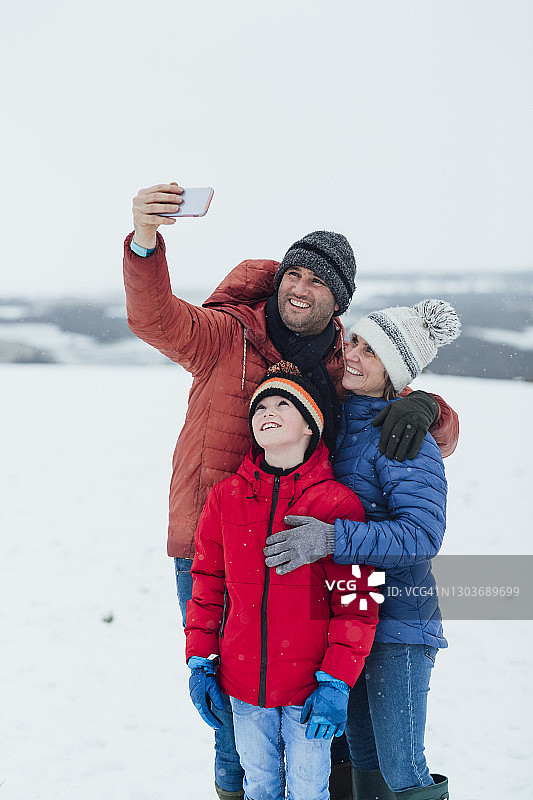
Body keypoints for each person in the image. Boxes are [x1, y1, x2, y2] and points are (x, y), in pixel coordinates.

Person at [123, 181, 459, 800]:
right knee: (236, 722)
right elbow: (154, 317)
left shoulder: (339, 358)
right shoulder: (225, 334)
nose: (301, 289)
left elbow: (387, 393)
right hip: (218, 545)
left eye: (319, 282)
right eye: (294, 274)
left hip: (309, 548)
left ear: (339, 302)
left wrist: (430, 409)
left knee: (322, 714)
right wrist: (145, 241)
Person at [263, 300, 461, 800]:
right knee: (362, 753)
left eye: (371, 351)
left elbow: (422, 535)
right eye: (354, 341)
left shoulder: (406, 438)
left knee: (401, 763)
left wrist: (332, 539)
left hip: (398, 620)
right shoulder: (340, 422)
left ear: (394, 369)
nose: (351, 354)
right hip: (348, 612)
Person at [184, 362, 381, 800]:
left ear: (311, 425)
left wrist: (336, 680)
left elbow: (357, 601)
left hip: (310, 688)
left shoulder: (337, 504)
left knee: (309, 790)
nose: (267, 412)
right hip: (242, 685)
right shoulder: (226, 498)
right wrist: (200, 661)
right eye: (260, 407)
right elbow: (207, 586)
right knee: (259, 786)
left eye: (282, 404)